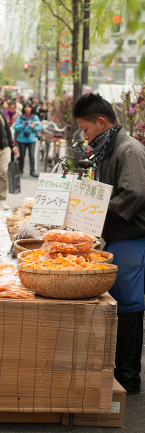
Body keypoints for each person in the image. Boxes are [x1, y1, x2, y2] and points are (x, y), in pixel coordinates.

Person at [72, 94, 145, 393]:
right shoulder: (108, 147)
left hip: (131, 238)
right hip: (115, 236)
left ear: (101, 122)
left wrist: (93, 214)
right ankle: (117, 370)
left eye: (86, 130)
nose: (85, 136)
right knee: (118, 301)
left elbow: (133, 194)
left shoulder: (130, 150)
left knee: (128, 304)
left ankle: (129, 378)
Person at [13, 105, 42, 177]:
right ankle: (20, 171)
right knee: (21, 156)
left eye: (29, 107)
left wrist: (33, 127)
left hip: (31, 139)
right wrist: (23, 125)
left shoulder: (35, 117)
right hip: (21, 139)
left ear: (31, 108)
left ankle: (32, 171)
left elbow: (39, 127)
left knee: (32, 156)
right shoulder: (20, 117)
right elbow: (15, 127)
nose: (27, 109)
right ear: (24, 108)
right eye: (26, 107)